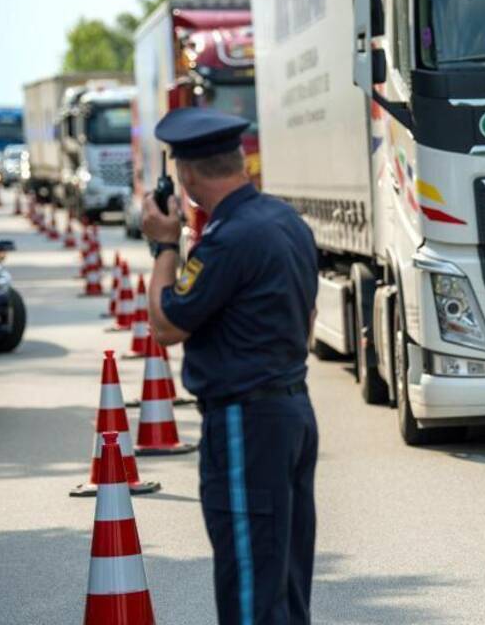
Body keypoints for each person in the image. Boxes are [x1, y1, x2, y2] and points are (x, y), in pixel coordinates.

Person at [142, 106, 320, 623]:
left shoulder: (228, 239)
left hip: (246, 421)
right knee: (283, 583)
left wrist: (164, 245)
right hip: (291, 408)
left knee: (249, 588)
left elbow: (166, 324)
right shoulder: (285, 220)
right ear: (239, 158)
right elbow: (306, 317)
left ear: (189, 174)